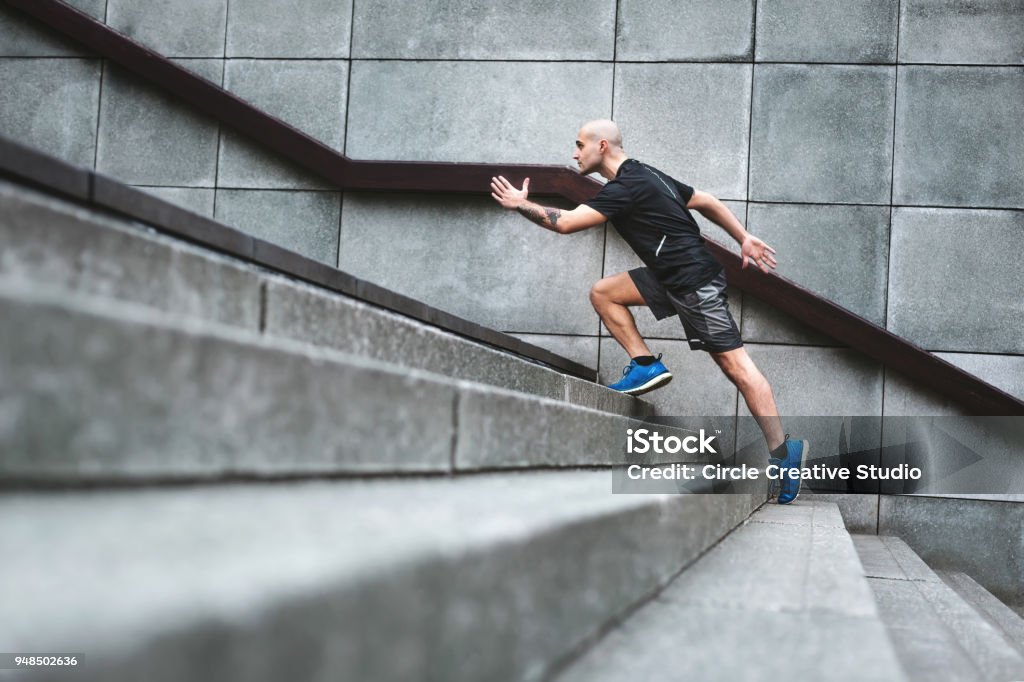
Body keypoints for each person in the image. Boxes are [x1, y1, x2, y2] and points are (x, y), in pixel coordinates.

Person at [490, 119, 808, 504]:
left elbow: (567, 223)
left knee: (737, 368)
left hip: (694, 284)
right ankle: (645, 364)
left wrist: (520, 204)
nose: (574, 153)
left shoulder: (627, 187)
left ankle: (784, 455)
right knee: (604, 293)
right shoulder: (647, 174)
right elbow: (705, 200)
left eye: (579, 145)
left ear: (601, 146)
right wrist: (742, 237)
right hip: (667, 277)